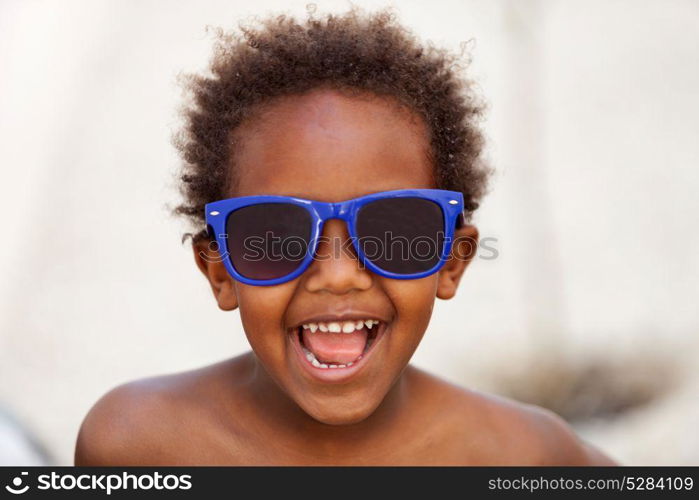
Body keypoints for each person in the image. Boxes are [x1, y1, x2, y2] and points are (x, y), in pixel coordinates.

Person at [75, 7, 615, 465]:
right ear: (220, 271)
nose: (337, 276)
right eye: (275, 234)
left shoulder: (521, 455)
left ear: (453, 261)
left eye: (394, 231)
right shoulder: (136, 445)